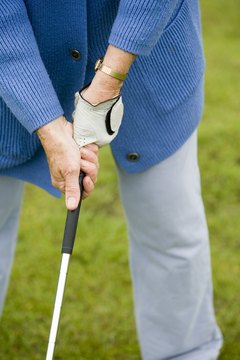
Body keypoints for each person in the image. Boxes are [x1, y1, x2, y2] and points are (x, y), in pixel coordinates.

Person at [0, 1, 223, 359]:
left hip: (151, 59)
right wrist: (47, 123)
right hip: (12, 66)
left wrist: (107, 83)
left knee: (170, 227)